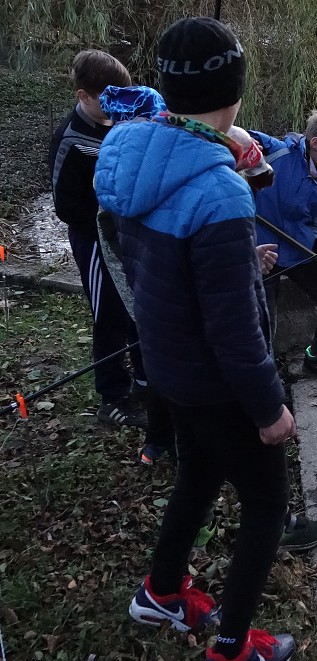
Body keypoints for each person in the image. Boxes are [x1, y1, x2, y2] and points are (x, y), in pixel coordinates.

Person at [94, 17, 296, 661]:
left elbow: (155, 252)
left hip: (167, 365)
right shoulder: (217, 192)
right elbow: (236, 334)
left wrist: (238, 244)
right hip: (216, 382)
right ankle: (233, 650)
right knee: (267, 500)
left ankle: (159, 590)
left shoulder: (132, 151)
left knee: (201, 475)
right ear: (235, 88)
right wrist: (270, 410)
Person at [47, 50, 146, 428]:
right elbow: (65, 206)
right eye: (107, 99)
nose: (116, 106)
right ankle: (112, 397)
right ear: (83, 96)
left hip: (128, 235)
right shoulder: (71, 140)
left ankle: (144, 378)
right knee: (108, 313)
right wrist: (105, 215)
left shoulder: (124, 122)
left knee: (138, 305)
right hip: (93, 237)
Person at [249, 112, 317, 377]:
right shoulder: (276, 152)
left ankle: (315, 356)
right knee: (264, 321)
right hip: (263, 252)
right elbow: (229, 135)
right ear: (316, 143)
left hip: (299, 253)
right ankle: (266, 377)